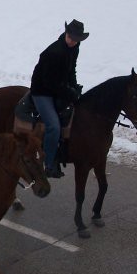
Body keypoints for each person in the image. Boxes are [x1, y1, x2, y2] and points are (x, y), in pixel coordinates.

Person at [30, 19, 89, 178]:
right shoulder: (54, 52)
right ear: (66, 34)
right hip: (42, 91)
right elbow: (50, 82)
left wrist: (74, 87)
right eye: (70, 38)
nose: (72, 41)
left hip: (58, 87)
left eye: (76, 39)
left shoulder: (74, 48)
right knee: (54, 126)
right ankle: (48, 164)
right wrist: (69, 92)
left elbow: (71, 70)